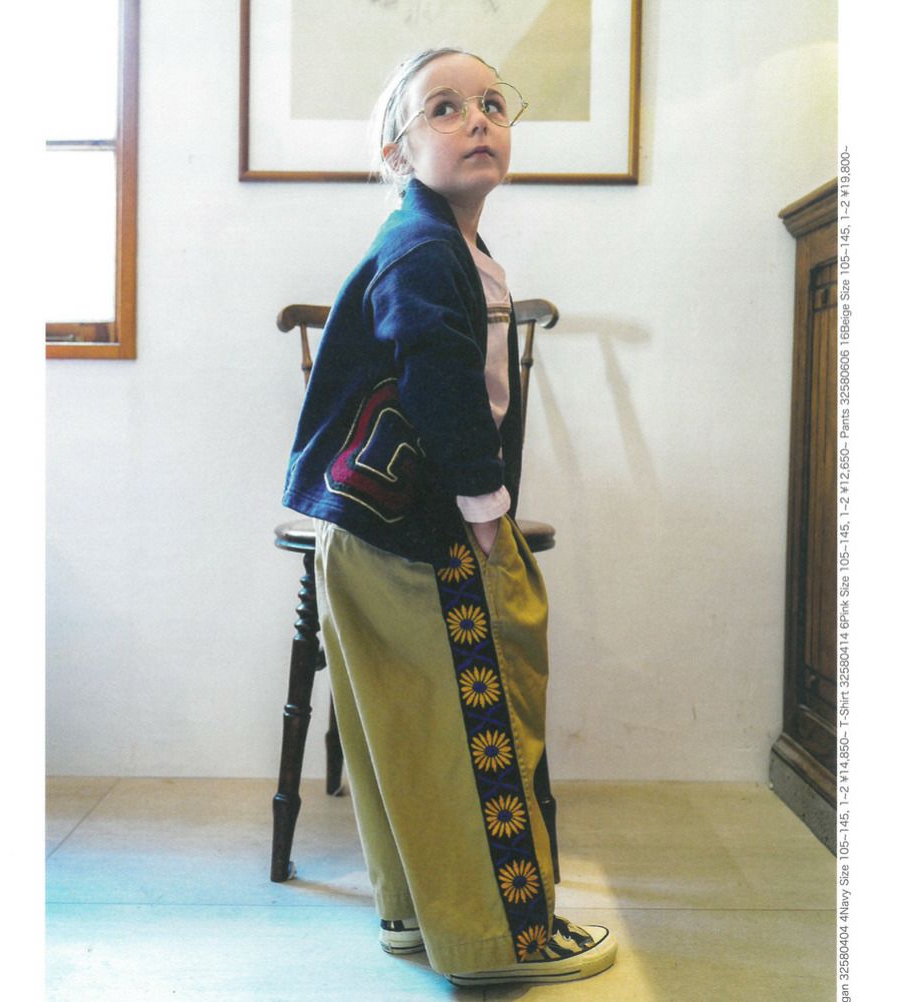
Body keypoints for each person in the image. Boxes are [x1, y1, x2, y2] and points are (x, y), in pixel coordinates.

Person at [282, 47, 617, 987]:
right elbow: (436, 373)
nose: (476, 119)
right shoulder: (425, 248)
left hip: (363, 526)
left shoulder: (437, 242)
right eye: (443, 108)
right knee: (480, 724)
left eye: (492, 104)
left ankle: (414, 914)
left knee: (406, 728)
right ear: (396, 152)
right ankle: (500, 940)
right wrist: (484, 509)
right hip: (416, 532)